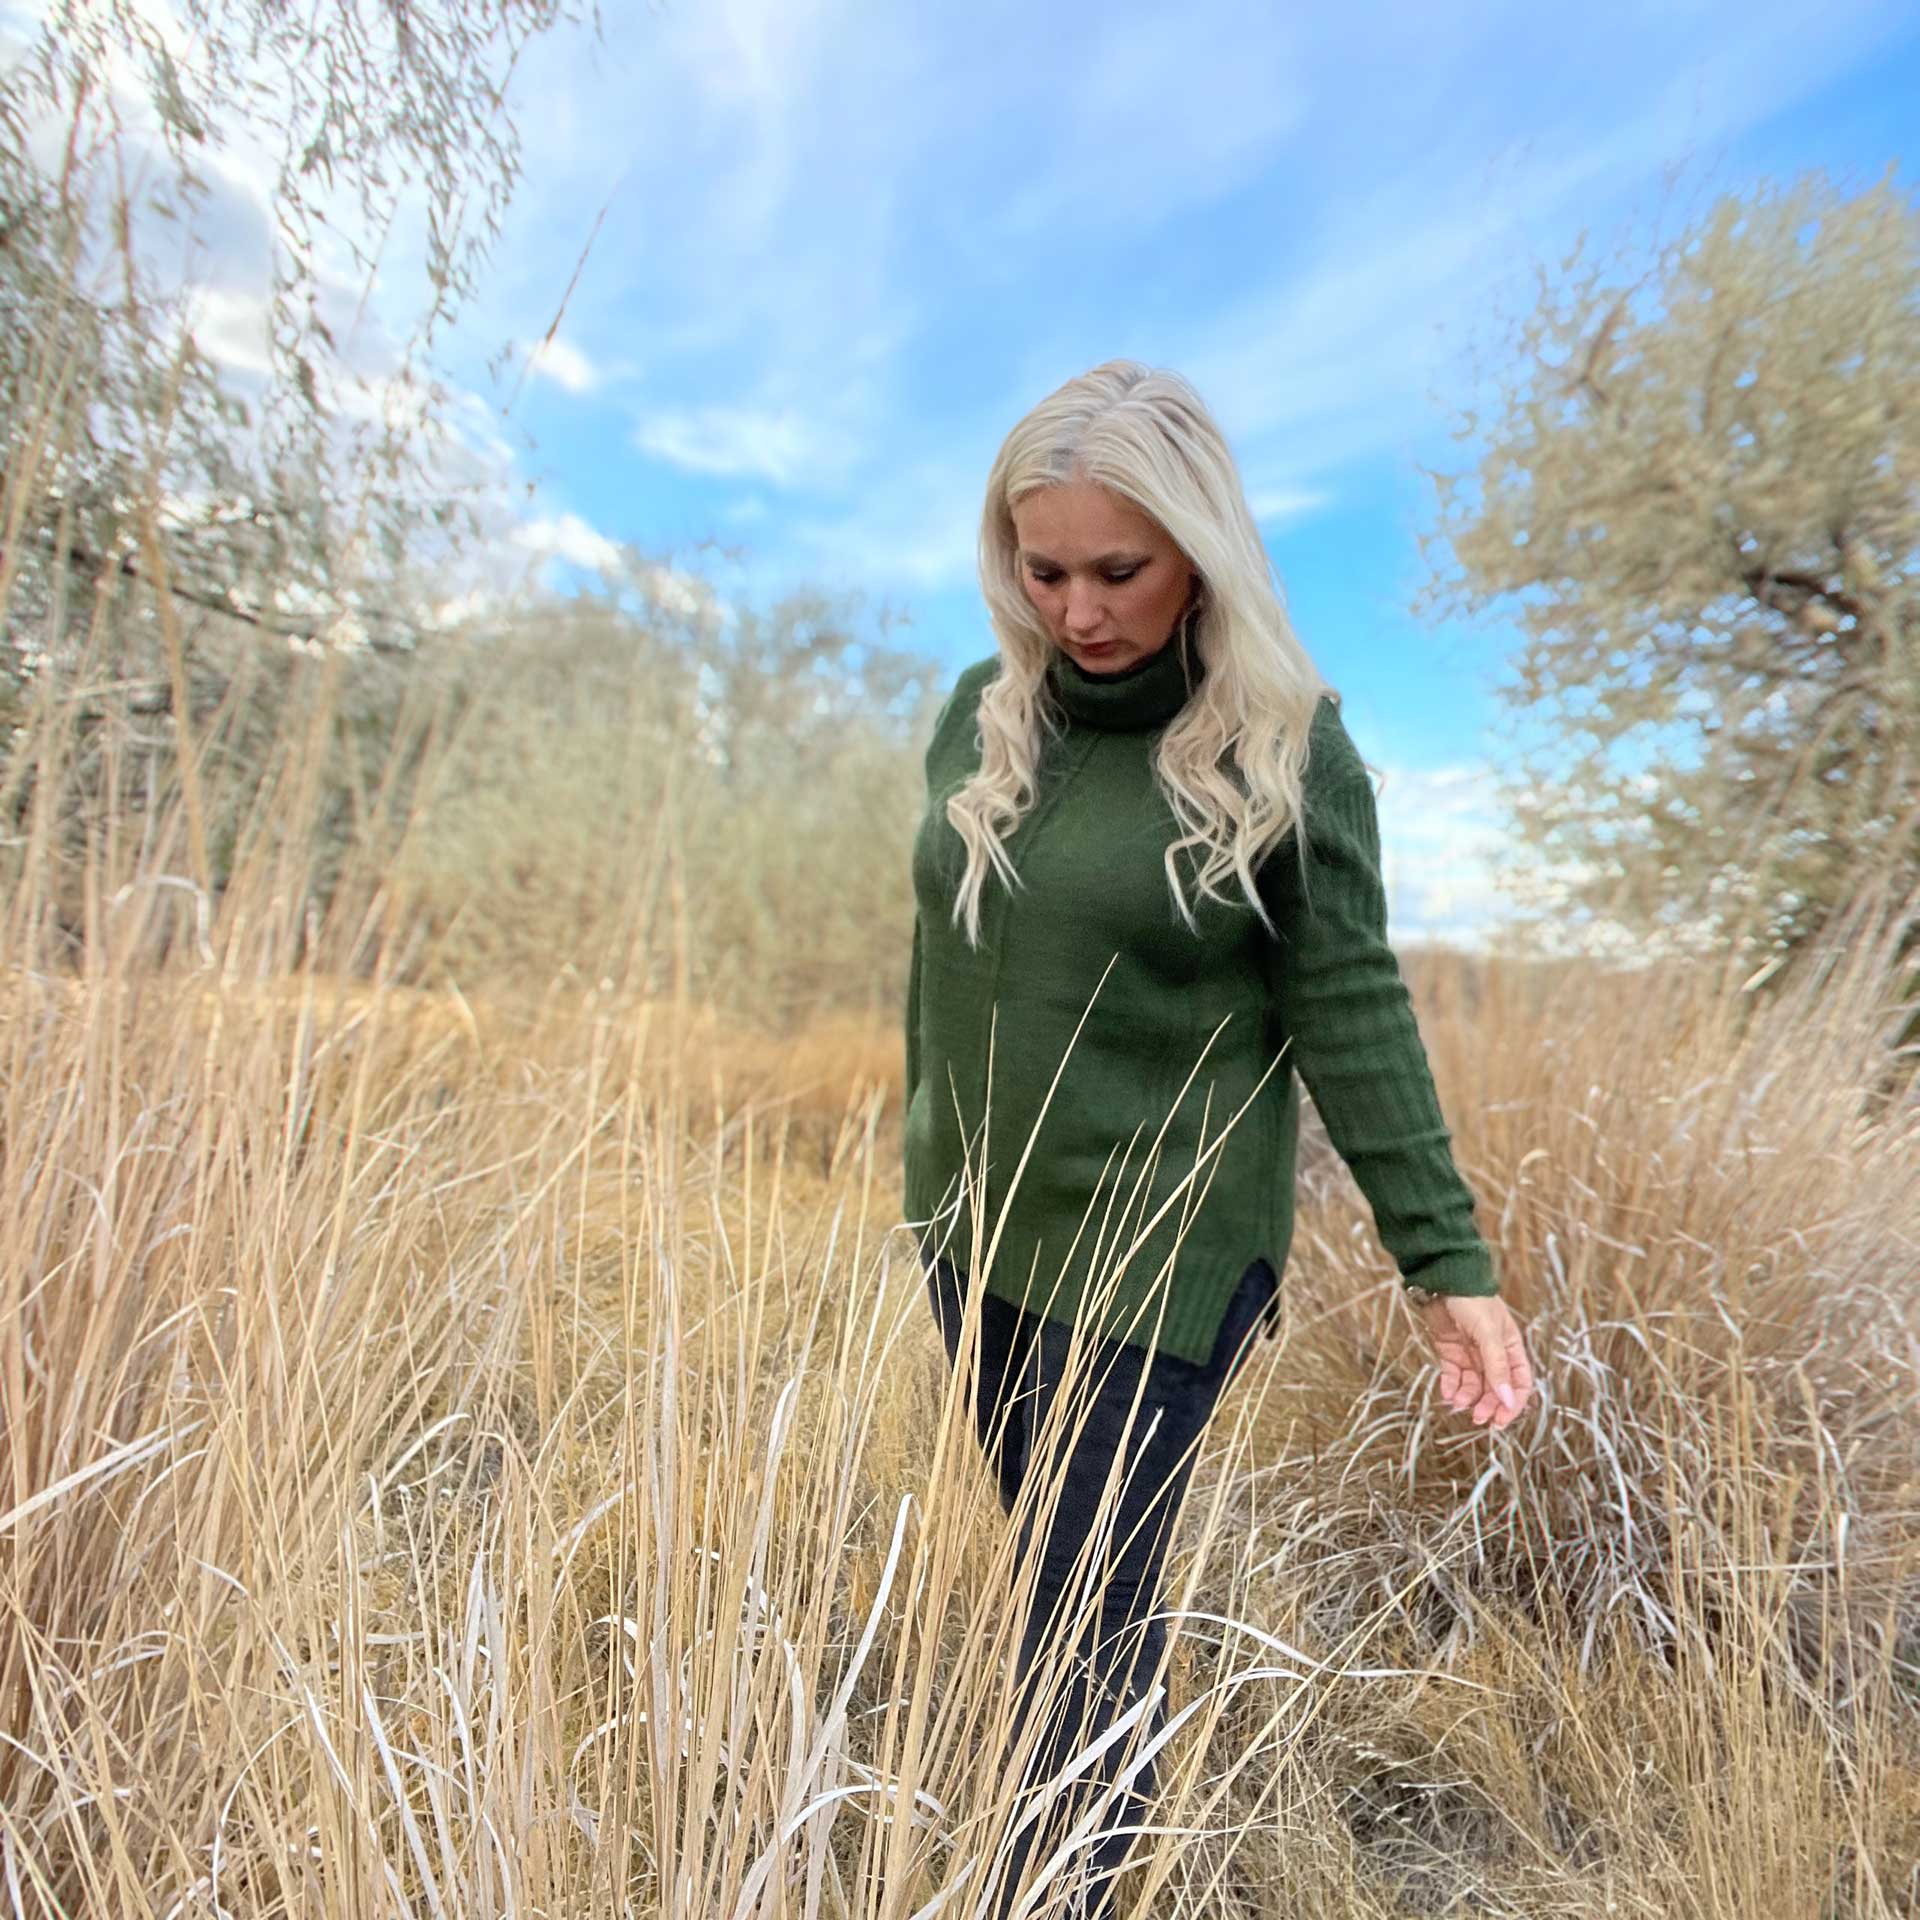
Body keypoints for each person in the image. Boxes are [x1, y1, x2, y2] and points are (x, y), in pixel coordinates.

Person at [900, 360, 1539, 1916]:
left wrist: (1442, 1258)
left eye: (1117, 569)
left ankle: (1054, 1893)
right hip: (978, 1238)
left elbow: (1351, 1007)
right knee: (1053, 1584)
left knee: (1083, 1619)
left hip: (1160, 1257)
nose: (1078, 608)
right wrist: (927, 1166)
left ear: (1198, 550)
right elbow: (945, 973)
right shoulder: (980, 728)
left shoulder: (1284, 745)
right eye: (1041, 568)